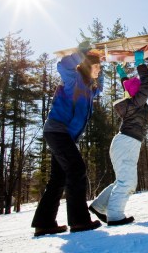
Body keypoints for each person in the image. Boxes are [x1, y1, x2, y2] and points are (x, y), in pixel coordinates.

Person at [31, 44, 104, 236]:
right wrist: (80, 53)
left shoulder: (89, 89)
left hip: (64, 136)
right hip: (57, 131)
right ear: (88, 66)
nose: (99, 70)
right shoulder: (74, 79)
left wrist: (103, 63)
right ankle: (79, 221)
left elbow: (99, 89)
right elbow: (62, 66)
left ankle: (44, 223)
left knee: (59, 177)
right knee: (76, 169)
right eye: (97, 67)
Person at [89, 51, 148, 226]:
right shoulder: (137, 102)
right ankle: (115, 216)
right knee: (128, 182)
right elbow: (147, 83)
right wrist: (140, 63)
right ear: (138, 92)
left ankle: (100, 206)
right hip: (127, 143)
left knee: (122, 180)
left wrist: (120, 70)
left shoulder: (132, 100)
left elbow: (128, 84)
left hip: (123, 143)